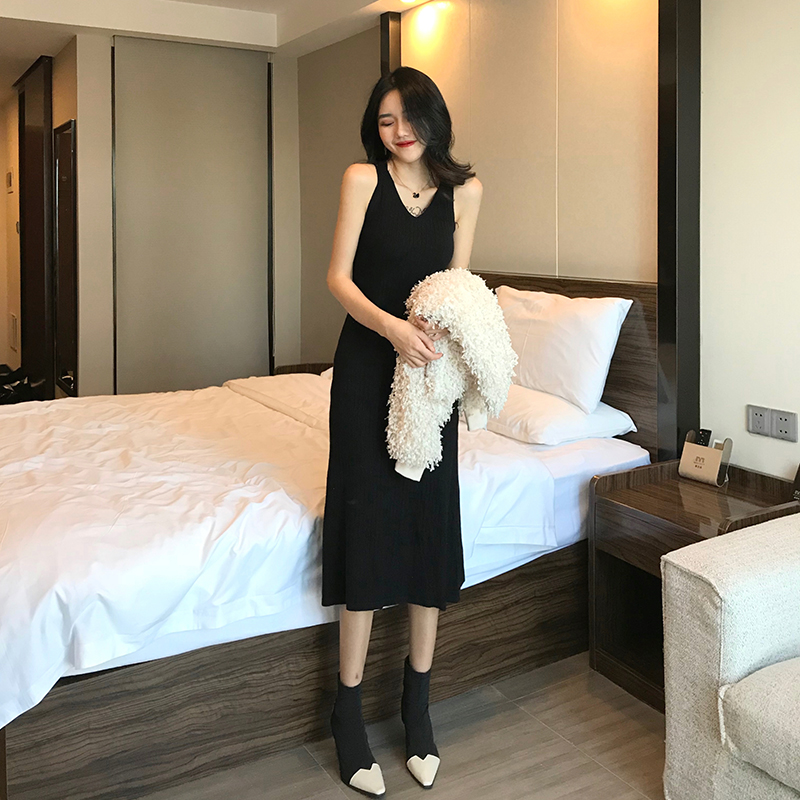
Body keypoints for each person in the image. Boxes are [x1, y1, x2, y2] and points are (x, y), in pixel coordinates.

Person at [321, 65, 483, 796]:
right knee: (366, 524)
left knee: (425, 528)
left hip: (428, 381)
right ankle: (348, 710)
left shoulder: (465, 193)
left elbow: (457, 287)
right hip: (366, 369)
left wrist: (442, 340)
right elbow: (338, 279)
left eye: (410, 117)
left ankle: (418, 704)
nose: (399, 131)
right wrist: (391, 328)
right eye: (386, 120)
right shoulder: (363, 179)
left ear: (433, 118)